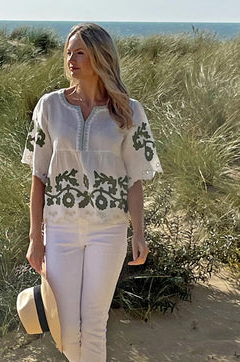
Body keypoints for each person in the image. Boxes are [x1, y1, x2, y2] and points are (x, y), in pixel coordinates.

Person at [21, 22, 163, 362]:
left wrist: (139, 232)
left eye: (80, 52)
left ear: (100, 56)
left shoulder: (129, 111)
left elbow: (134, 179)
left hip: (109, 230)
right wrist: (35, 237)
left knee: (95, 324)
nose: (72, 59)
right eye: (69, 52)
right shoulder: (50, 107)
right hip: (61, 229)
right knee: (66, 329)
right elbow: (39, 175)